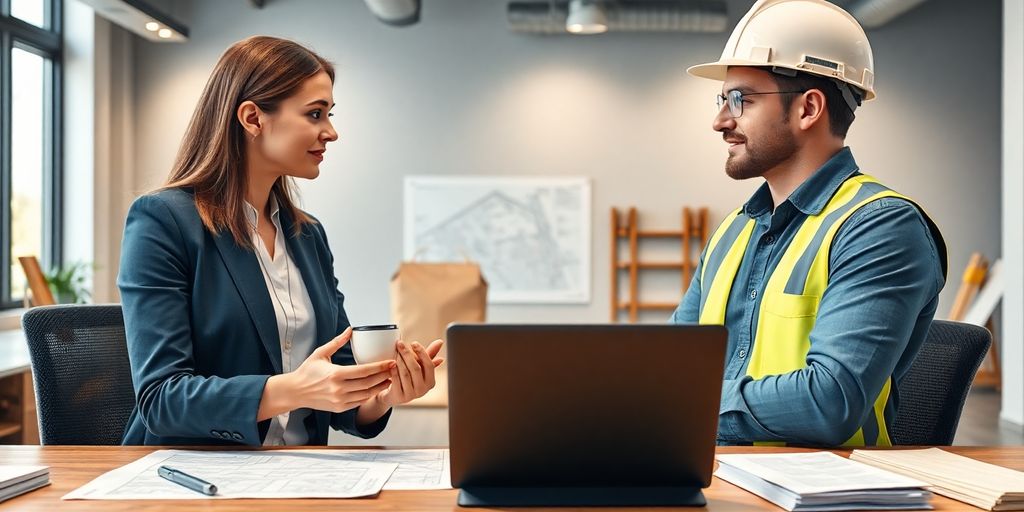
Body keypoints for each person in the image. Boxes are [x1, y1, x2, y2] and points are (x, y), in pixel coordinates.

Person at [117, 36, 443, 446]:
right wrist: (294, 389)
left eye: (329, 114)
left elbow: (334, 372)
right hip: (196, 478)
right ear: (253, 118)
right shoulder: (163, 221)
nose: (332, 132)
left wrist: (380, 395)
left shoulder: (307, 235)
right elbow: (161, 399)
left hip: (298, 474)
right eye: (315, 114)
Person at [672, 0, 947, 446]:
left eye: (739, 99)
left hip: (827, 494)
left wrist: (687, 406)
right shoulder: (733, 231)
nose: (720, 120)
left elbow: (829, 402)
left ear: (808, 109)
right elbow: (669, 368)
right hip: (721, 476)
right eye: (722, 99)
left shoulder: (879, 228)